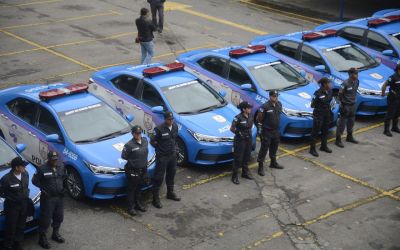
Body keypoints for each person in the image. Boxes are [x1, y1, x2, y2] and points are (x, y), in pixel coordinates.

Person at [32, 151, 67, 249]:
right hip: (48, 198)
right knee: (46, 219)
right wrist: (43, 189)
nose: (55, 161)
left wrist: (64, 188)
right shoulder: (41, 169)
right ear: (49, 159)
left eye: (56, 159)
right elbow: (34, 181)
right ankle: (42, 238)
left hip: (59, 197)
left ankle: (55, 234)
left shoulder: (61, 166)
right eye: (53, 160)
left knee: (59, 216)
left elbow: (64, 178)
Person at [150, 111, 181, 208]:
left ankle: (170, 193)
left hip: (172, 155)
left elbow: (175, 139)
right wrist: (159, 150)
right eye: (169, 119)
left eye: (172, 119)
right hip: (162, 157)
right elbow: (152, 141)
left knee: (171, 174)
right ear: (165, 119)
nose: (171, 121)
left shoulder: (175, 126)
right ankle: (155, 199)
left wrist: (175, 149)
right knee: (159, 177)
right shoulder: (159, 129)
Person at [0, 157, 29, 250]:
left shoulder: (25, 174)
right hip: (12, 207)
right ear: (16, 168)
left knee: (21, 226)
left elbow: (26, 187)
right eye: (22, 166)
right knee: (11, 228)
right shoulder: (6, 179)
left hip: (23, 205)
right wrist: (10, 198)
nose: (25, 167)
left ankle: (18, 243)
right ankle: (8, 245)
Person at [121, 125, 149, 216]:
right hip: (132, 170)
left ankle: (138, 204)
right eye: (136, 133)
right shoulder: (129, 145)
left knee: (139, 188)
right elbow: (124, 156)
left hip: (143, 169)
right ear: (132, 134)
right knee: (131, 190)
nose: (138, 135)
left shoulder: (145, 141)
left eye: (140, 133)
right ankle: (131, 208)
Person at [257, 90, 284, 176]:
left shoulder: (279, 104)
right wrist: (261, 129)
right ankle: (260, 166)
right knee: (264, 149)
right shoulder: (264, 107)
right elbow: (259, 119)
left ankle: (273, 163)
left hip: (276, 131)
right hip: (267, 131)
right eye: (274, 96)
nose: (276, 98)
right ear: (270, 97)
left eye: (277, 96)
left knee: (274, 147)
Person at [230, 101, 254, 184]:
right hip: (240, 141)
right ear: (244, 109)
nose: (250, 109)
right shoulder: (238, 117)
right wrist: (239, 133)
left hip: (248, 139)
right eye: (248, 108)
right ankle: (234, 176)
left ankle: (245, 173)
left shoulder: (250, 115)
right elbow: (232, 128)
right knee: (238, 159)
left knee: (247, 156)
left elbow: (250, 126)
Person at [335, 67, 359, 148]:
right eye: (355, 74)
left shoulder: (356, 81)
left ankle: (349, 136)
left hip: (353, 104)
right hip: (346, 105)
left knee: (351, 121)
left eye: (357, 73)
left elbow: (355, 92)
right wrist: (342, 104)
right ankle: (338, 139)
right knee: (342, 123)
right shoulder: (345, 83)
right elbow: (340, 95)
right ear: (350, 74)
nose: (357, 75)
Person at [309, 78, 334, 157]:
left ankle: (324, 146)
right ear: (324, 84)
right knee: (315, 132)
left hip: (326, 114)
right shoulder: (317, 93)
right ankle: (312, 149)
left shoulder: (330, 91)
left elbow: (331, 101)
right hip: (318, 115)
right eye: (328, 83)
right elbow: (312, 104)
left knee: (325, 130)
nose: (330, 85)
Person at [381, 64, 400, 137]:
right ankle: (386, 130)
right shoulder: (393, 77)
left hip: (399, 98)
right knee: (390, 114)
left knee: (397, 113)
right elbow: (385, 85)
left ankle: (394, 127)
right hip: (393, 98)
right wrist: (383, 93)